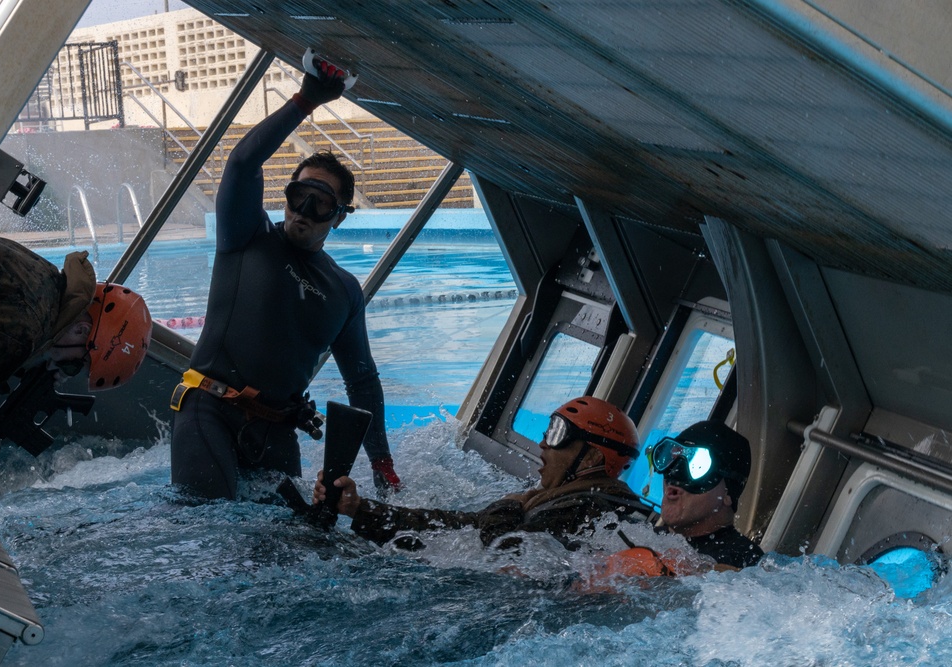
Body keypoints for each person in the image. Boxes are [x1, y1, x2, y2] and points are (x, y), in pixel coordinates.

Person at [169, 56, 401, 500]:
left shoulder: (344, 291)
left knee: (296, 542)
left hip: (276, 430)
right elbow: (240, 164)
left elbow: (363, 381)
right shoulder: (247, 235)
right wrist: (304, 100)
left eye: (320, 204)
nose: (303, 213)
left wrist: (382, 464)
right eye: (298, 196)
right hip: (208, 409)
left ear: (338, 217)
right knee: (205, 521)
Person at [0, 230, 153, 491]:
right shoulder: (22, 330)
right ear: (81, 331)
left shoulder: (46, 280)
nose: (65, 374)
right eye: (75, 364)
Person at [313, 397, 652, 550]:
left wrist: (508, 506)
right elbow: (454, 526)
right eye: (547, 430)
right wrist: (359, 509)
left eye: (557, 434)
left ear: (592, 454)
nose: (543, 444)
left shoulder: (593, 509)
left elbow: (509, 556)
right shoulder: (556, 501)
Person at [586, 420, 763, 583]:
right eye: (669, 458)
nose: (672, 477)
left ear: (728, 494)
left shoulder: (745, 565)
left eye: (698, 467)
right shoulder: (639, 535)